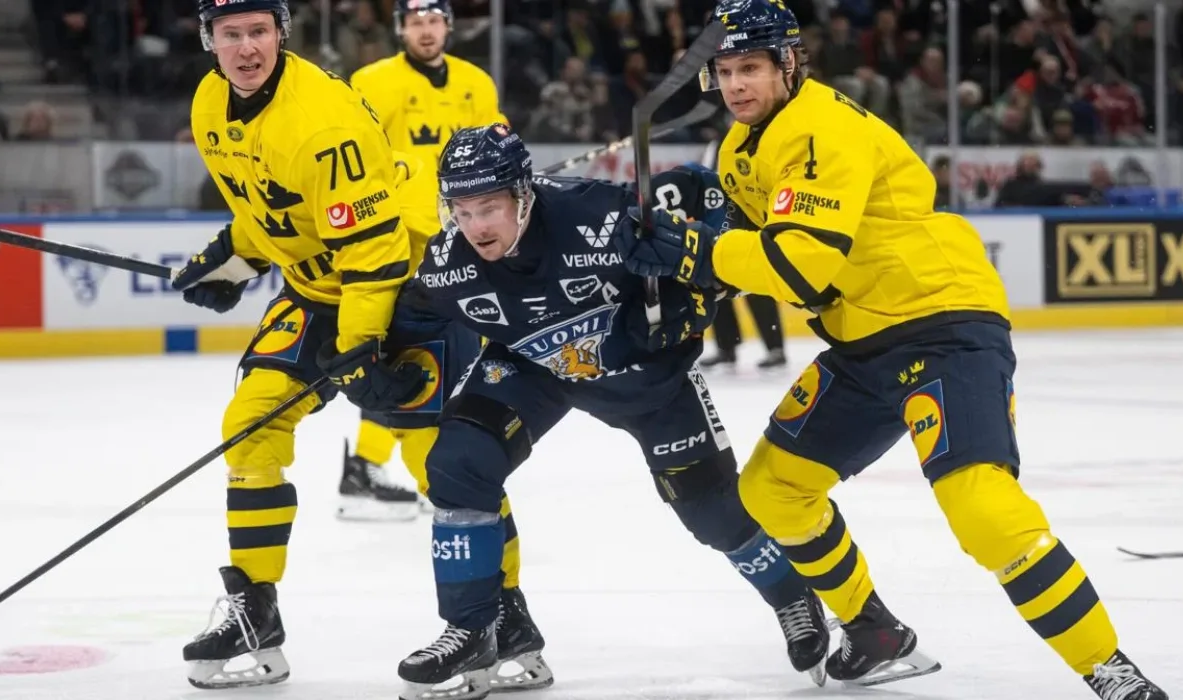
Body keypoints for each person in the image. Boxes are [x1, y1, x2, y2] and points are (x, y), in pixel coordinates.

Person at [615, 1, 1169, 698]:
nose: (735, 85)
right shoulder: (737, 150)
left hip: (942, 323)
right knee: (772, 489)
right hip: (862, 340)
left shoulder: (820, 128)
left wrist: (697, 251)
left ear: (789, 63)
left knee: (981, 506)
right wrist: (689, 249)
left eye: (750, 67)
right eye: (724, 72)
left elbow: (799, 268)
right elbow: (750, 250)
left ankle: (1110, 669)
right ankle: (873, 631)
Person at [352, 124, 831, 700]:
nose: (476, 227)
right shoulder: (449, 261)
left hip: (647, 378)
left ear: (523, 195)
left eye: (489, 207)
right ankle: (480, 628)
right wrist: (369, 364)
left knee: (712, 511)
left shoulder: (600, 216)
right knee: (458, 462)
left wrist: (692, 299)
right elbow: (411, 319)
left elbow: (709, 206)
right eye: (462, 210)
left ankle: (792, 596)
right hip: (536, 371)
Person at [171, 0, 443, 688]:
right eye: (231, 34)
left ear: (281, 35)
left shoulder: (321, 121)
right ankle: (254, 613)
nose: (246, 48)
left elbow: (374, 249)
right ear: (209, 41)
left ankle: (498, 613)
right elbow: (270, 209)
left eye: (259, 31)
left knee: (447, 461)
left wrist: (359, 352)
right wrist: (234, 260)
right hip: (318, 290)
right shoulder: (209, 105)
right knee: (250, 427)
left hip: (399, 284)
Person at [337, 0, 508, 520]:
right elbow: (357, 159)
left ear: (448, 26)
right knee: (405, 357)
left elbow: (497, 152)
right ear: (400, 29)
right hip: (399, 245)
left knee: (460, 357)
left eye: (434, 21)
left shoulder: (476, 83)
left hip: (463, 240)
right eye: (416, 22)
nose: (426, 31)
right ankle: (391, 469)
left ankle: (393, 466)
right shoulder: (372, 81)